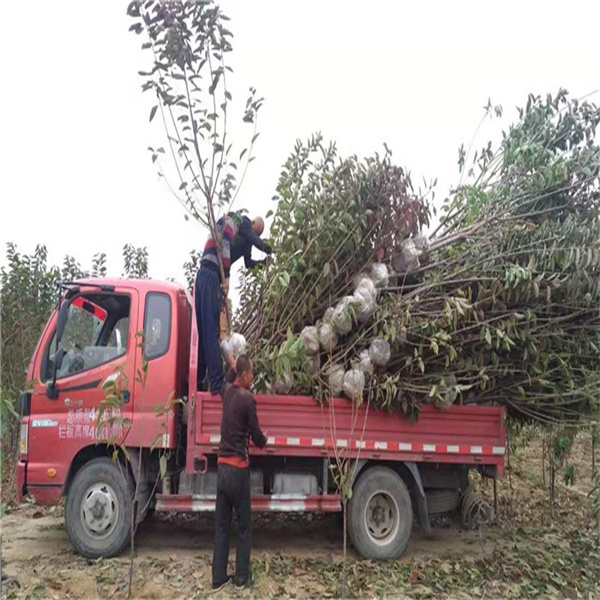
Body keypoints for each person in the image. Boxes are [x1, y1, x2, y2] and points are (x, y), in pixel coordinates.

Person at [212, 355, 267, 592]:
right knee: (244, 526)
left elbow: (226, 381)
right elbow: (257, 437)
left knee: (222, 526)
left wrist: (232, 368)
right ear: (244, 375)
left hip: (222, 469)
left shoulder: (227, 393)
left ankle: (218, 578)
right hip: (238, 471)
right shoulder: (247, 399)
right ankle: (241, 578)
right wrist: (266, 440)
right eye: (252, 374)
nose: (253, 378)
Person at [195, 212, 240, 395]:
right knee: (211, 331)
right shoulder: (232, 223)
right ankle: (216, 383)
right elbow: (227, 246)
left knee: (204, 331)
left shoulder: (218, 224)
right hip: (212, 276)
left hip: (203, 275)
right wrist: (227, 277)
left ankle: (200, 378)